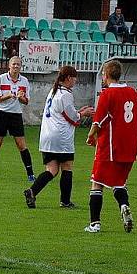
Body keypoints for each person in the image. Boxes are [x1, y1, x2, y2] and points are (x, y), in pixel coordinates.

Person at [85, 60, 137, 233]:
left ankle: (94, 224)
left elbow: (98, 121)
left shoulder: (107, 94)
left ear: (105, 75)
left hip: (110, 148)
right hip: (130, 149)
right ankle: (124, 205)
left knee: (96, 183)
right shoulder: (133, 93)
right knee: (119, 183)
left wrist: (90, 136)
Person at [23, 66, 93, 209]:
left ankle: (32, 191)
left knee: (52, 170)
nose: (75, 81)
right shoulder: (66, 94)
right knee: (67, 167)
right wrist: (84, 113)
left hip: (47, 135)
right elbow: (73, 118)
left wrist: (79, 111)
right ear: (68, 78)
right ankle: (65, 201)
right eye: (74, 78)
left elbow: (63, 113)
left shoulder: (54, 91)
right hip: (60, 137)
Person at [0, 56, 35, 182]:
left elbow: (26, 101)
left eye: (18, 64)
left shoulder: (24, 81)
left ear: (21, 67)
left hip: (15, 114)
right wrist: (7, 96)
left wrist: (20, 97)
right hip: (1, 113)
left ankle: (30, 174)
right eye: (14, 64)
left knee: (21, 144)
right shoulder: (1, 79)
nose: (16, 67)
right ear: (9, 65)